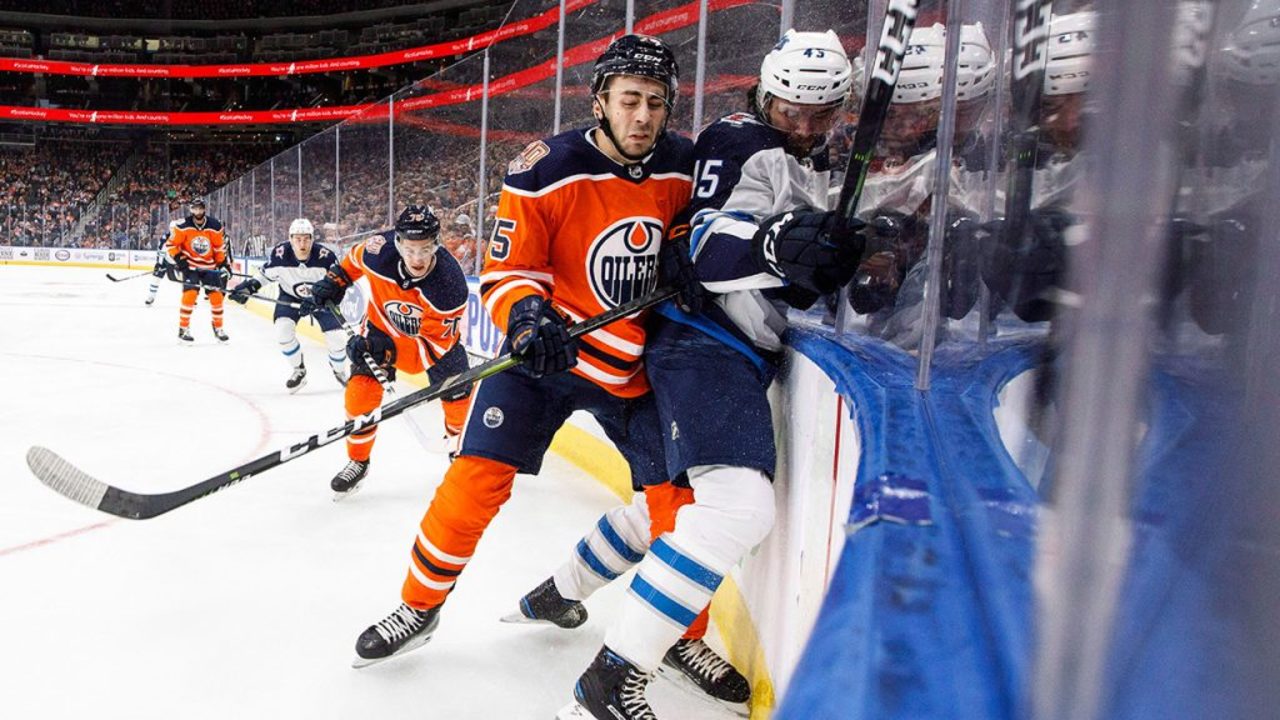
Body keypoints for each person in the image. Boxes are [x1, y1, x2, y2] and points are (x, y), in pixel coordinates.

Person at [345, 35, 702, 703]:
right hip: (545, 355)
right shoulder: (546, 166)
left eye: (657, 103)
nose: (644, 116)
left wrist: (688, 244)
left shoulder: (685, 165)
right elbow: (508, 271)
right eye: (630, 100)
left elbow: (704, 226)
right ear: (600, 101)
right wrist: (529, 319)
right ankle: (420, 607)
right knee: (474, 479)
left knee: (676, 508)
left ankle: (679, 633)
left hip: (633, 366)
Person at [553, 30, 865, 720]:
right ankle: (610, 678)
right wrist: (775, 245)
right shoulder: (740, 139)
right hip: (703, 344)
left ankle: (557, 588)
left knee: (672, 504)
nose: (804, 127)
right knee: (736, 509)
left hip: (737, 352)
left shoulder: (814, 153)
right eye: (790, 110)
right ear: (763, 93)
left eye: (821, 114)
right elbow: (706, 246)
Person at [307, 205, 473, 497]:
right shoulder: (377, 250)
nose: (417, 258)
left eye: (425, 249)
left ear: (437, 244)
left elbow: (429, 352)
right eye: (410, 249)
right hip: (381, 330)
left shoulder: (450, 285)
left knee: (457, 396)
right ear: (398, 243)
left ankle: (462, 454)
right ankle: (358, 463)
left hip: (435, 346)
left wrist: (384, 352)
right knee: (360, 393)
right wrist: (334, 282)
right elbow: (352, 263)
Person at [227, 217, 350, 392]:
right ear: (290, 239)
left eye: (306, 238)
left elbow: (339, 284)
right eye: (297, 239)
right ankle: (299, 370)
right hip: (290, 296)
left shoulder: (326, 257)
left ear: (312, 239)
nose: (302, 244)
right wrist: (248, 288)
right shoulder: (280, 255)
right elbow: (264, 276)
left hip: (321, 299)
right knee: (283, 331)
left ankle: (339, 371)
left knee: (337, 338)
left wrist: (318, 299)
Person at [166, 198, 231, 344]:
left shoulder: (214, 225)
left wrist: (222, 264)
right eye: (195, 209)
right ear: (191, 210)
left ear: (204, 209)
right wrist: (181, 261)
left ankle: (218, 328)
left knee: (217, 297)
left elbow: (218, 247)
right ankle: (183, 329)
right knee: (190, 295)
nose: (198, 211)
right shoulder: (183, 225)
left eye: (200, 208)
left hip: (209, 267)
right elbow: (171, 245)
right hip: (191, 267)